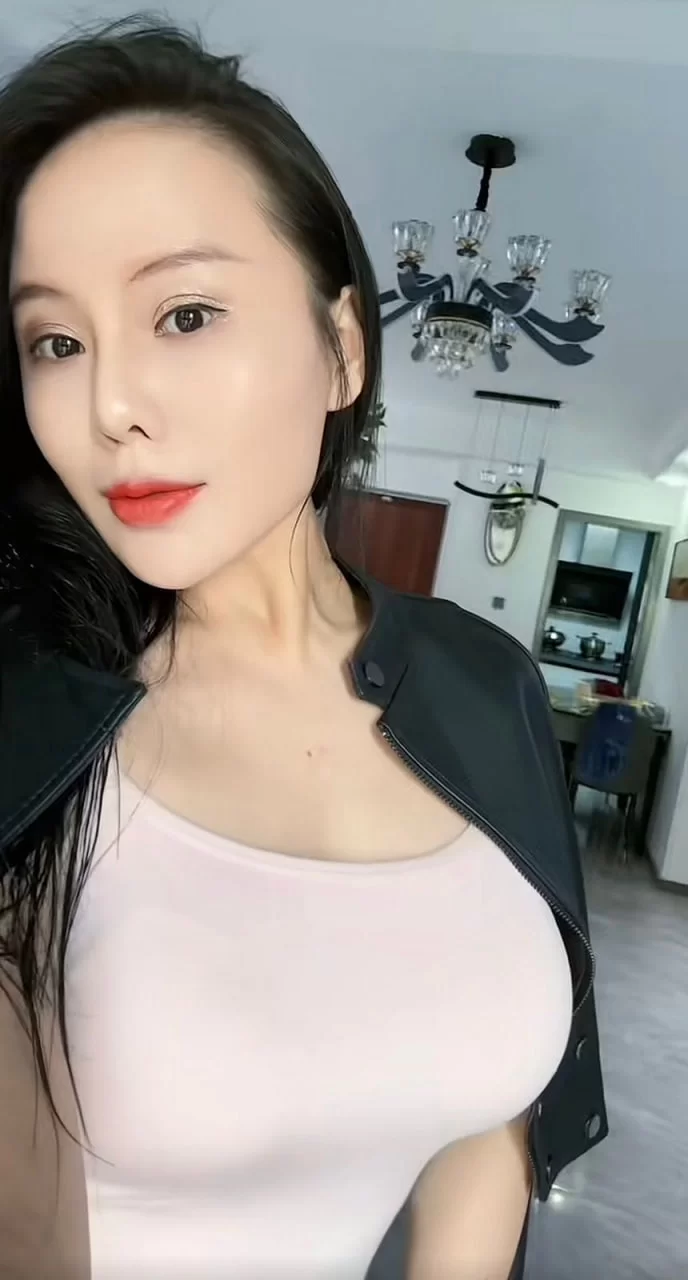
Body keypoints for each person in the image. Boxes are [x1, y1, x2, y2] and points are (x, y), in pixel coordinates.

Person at [0, 17, 607, 1280]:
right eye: (56, 341)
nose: (111, 403)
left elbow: (490, 1119)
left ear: (342, 348)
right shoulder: (28, 711)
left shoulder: (481, 681)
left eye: (184, 313)